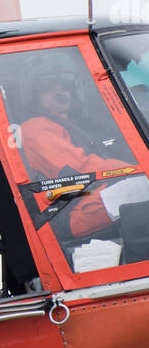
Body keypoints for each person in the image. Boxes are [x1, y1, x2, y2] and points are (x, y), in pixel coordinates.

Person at [17, 59, 149, 239]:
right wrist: (135, 168)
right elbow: (78, 169)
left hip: (92, 198)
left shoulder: (79, 126)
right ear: (35, 95)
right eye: (49, 88)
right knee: (143, 183)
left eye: (65, 87)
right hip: (72, 211)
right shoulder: (35, 128)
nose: (60, 93)